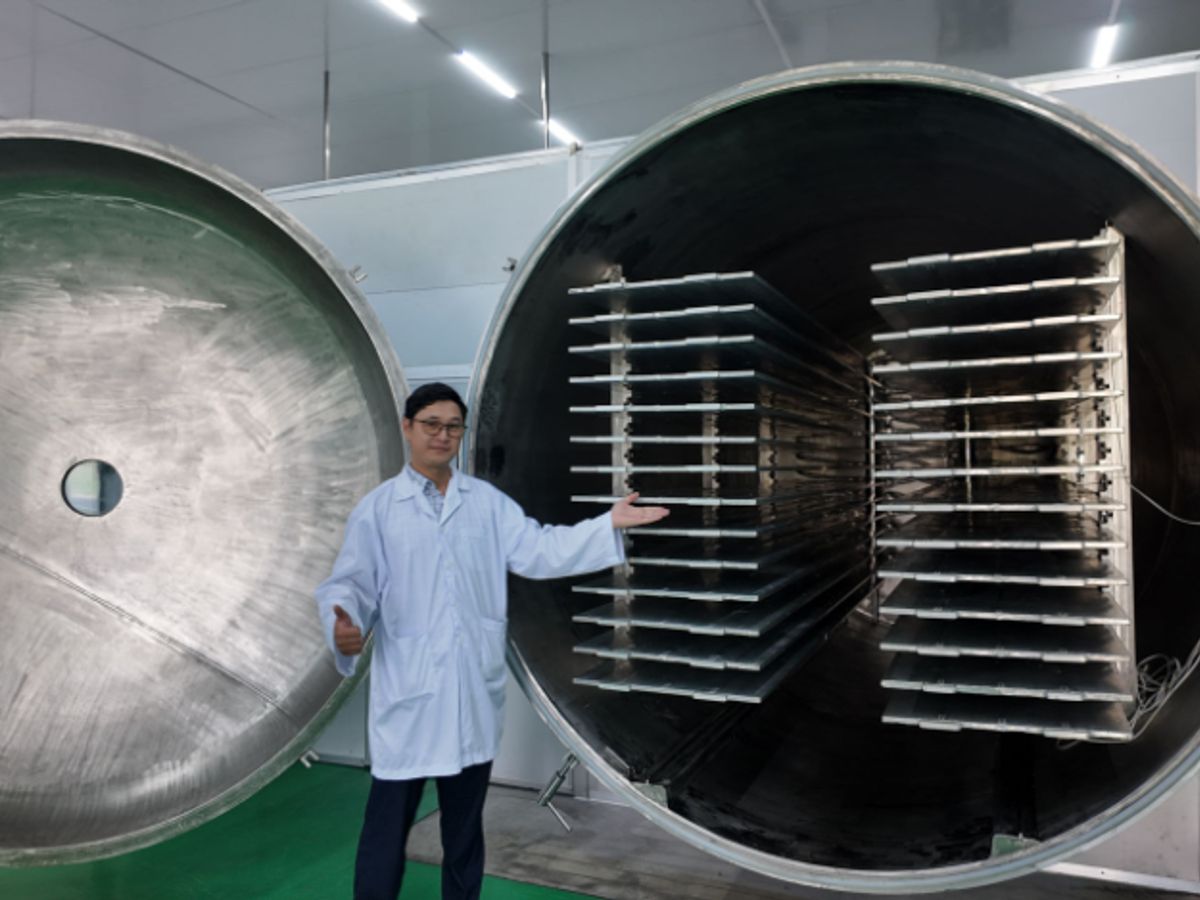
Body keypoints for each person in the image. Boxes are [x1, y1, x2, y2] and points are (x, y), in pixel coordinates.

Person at [314, 382, 668, 900]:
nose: (443, 435)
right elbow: (350, 585)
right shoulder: (379, 510)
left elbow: (541, 550)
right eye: (431, 424)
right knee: (385, 832)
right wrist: (343, 624)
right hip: (410, 704)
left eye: (453, 426)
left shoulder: (485, 504)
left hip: (470, 701)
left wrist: (606, 524)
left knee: (463, 833)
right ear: (408, 428)